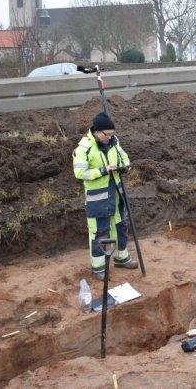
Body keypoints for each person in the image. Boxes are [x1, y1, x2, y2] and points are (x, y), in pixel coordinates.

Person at [73, 112, 137, 279]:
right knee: (99, 231)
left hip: (115, 192)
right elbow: (80, 172)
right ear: (97, 131)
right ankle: (99, 268)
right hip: (98, 197)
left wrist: (124, 167)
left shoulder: (114, 142)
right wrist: (102, 170)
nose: (109, 137)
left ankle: (121, 258)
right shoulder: (84, 148)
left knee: (120, 225)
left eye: (111, 134)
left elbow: (125, 158)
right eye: (106, 134)